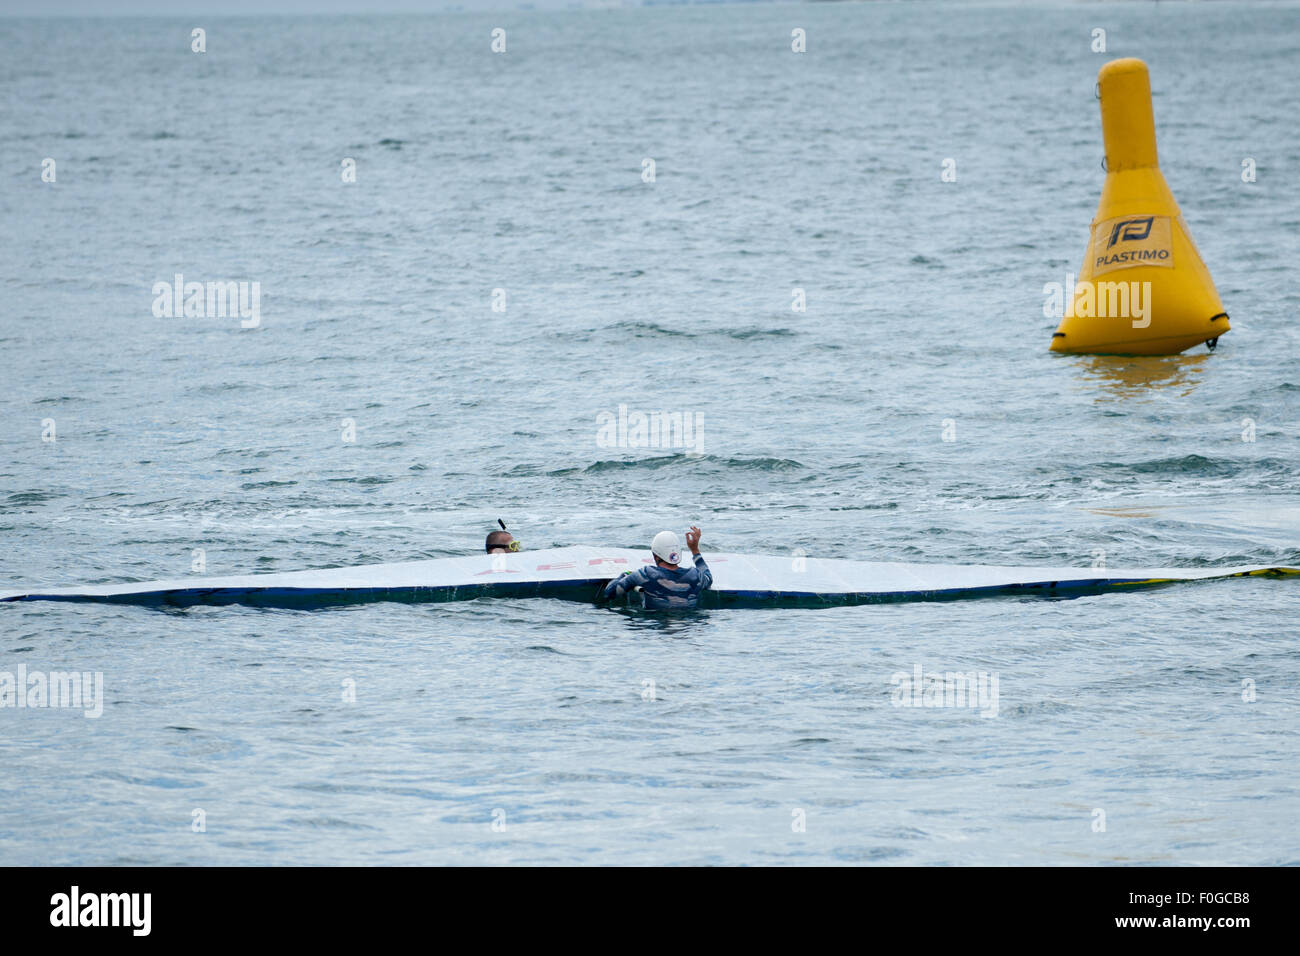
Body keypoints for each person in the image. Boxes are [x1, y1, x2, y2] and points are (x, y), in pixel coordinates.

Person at [599, 526, 711, 610]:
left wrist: (625, 575)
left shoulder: (646, 574)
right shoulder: (695, 575)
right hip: (688, 628)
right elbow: (708, 578)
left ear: (656, 555)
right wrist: (695, 550)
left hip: (654, 627)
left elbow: (610, 593)